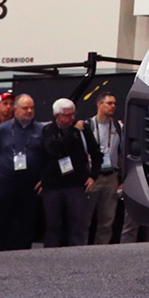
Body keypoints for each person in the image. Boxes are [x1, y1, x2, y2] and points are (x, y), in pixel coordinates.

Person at [0, 92, 45, 252]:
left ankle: (23, 251)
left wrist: (44, 177)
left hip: (31, 184)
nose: (29, 111)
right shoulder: (3, 129)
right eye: (25, 108)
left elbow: (49, 155)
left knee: (27, 220)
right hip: (6, 182)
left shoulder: (42, 129)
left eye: (32, 108)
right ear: (16, 110)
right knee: (1, 220)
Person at [40, 98, 96, 247]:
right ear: (57, 116)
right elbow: (54, 149)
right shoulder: (48, 130)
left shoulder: (82, 129)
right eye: (67, 115)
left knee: (78, 224)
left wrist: (93, 176)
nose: (72, 118)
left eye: (73, 114)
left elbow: (96, 153)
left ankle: (78, 253)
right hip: (53, 185)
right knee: (53, 225)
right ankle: (51, 254)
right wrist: (72, 132)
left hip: (76, 184)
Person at [87, 93, 125, 243]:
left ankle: (101, 250)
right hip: (93, 177)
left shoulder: (118, 126)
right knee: (85, 219)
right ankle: (81, 249)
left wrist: (122, 178)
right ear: (99, 104)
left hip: (111, 177)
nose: (113, 106)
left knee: (107, 220)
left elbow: (123, 152)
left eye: (114, 104)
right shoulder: (87, 125)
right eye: (109, 103)